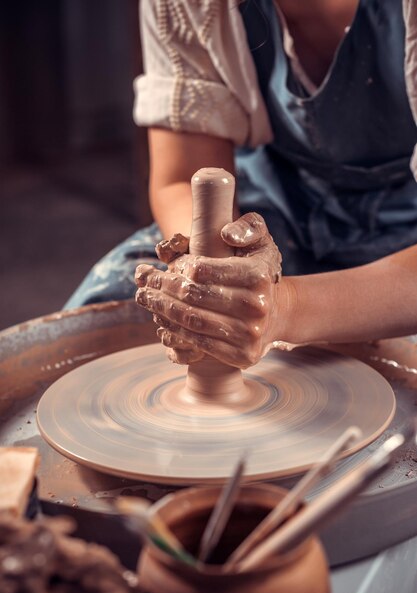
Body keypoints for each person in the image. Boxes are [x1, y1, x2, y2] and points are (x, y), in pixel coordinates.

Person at [68, 0, 417, 369]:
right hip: (270, 211)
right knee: (101, 312)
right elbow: (183, 176)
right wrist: (213, 278)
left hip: (406, 241)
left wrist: (284, 308)